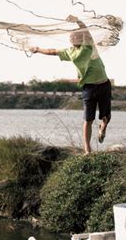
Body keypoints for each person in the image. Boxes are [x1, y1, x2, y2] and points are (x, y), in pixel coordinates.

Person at [30, 15, 111, 155]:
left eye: (73, 37)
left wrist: (77, 21)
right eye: (70, 38)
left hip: (104, 85)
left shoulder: (89, 46)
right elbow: (52, 51)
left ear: (79, 39)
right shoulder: (70, 52)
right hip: (88, 88)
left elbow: (85, 30)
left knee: (106, 117)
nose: (71, 39)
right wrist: (38, 49)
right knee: (88, 120)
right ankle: (87, 150)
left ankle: (102, 128)